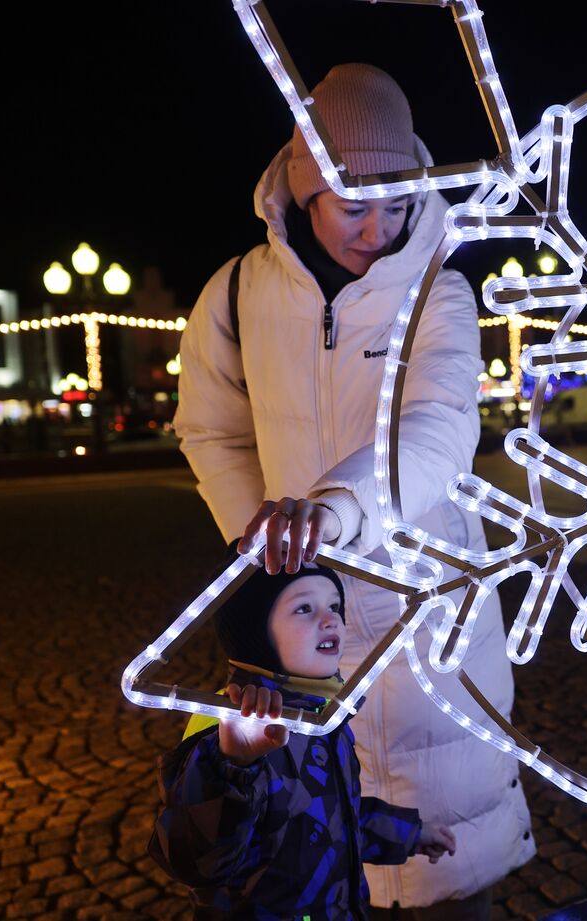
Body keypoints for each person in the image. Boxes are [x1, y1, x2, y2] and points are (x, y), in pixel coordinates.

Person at [174, 63, 532, 915]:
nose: (376, 228)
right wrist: (262, 544)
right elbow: (211, 427)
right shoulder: (234, 292)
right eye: (353, 204)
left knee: (450, 870)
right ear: (305, 188)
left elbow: (440, 427)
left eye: (397, 203)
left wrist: (335, 511)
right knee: (310, 852)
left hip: (430, 611)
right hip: (303, 623)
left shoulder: (437, 291)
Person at [151, 564, 457, 918]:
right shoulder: (228, 731)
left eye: (335, 607)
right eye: (304, 608)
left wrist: (408, 834)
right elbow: (195, 861)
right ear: (256, 635)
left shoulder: (323, 718)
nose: (330, 620)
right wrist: (233, 766)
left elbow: (328, 821)